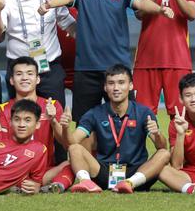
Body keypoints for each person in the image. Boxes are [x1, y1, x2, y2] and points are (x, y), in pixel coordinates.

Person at [39, 0, 170, 122]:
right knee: (84, 126)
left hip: (118, 70)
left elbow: (140, 2)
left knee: (125, 123)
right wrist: (49, 3)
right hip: (86, 70)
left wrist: (159, 9)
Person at [63, 65, 170, 193]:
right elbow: (72, 141)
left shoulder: (143, 112)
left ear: (130, 86)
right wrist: (65, 128)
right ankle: (86, 183)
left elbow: (162, 147)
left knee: (164, 154)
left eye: (121, 83)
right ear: (105, 87)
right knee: (75, 148)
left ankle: (129, 183)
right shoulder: (94, 113)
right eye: (111, 83)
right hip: (104, 172)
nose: (116, 88)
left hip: (136, 171)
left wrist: (157, 134)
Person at [50, 0, 81, 100]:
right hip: (51, 67)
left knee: (85, 116)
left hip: (81, 67)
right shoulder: (44, 2)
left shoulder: (86, 2)